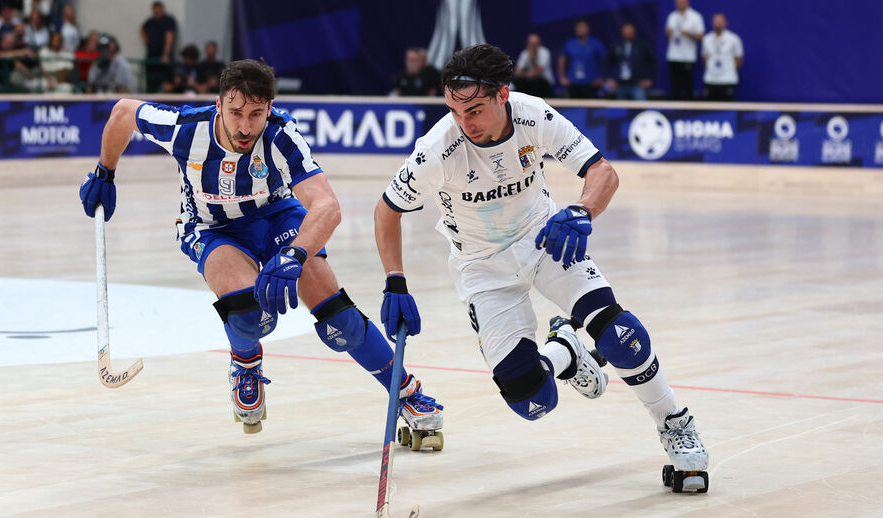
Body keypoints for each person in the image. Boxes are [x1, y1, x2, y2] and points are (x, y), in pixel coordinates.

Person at [373, 44, 709, 492]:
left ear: (502, 95)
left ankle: (674, 422)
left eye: (474, 110)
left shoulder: (534, 116)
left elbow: (602, 171)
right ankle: (566, 351)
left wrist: (583, 211)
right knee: (531, 400)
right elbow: (386, 210)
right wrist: (395, 280)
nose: (464, 122)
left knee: (619, 334)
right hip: (481, 268)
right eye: (454, 110)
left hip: (545, 239)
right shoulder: (437, 150)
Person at [77, 59, 444, 439]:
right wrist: (105, 171)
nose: (245, 126)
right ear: (218, 105)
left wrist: (294, 255)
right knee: (248, 314)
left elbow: (328, 207)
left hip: (276, 217)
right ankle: (246, 362)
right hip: (211, 226)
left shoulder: (281, 135)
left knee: (338, 319)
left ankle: (406, 392)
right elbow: (123, 113)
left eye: (256, 114)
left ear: (269, 108)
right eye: (235, 112)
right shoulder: (185, 129)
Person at [604, 22, 655, 100]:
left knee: (640, 107)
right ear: (622, 32)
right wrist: (608, 79)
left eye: (629, 30)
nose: (627, 32)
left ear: (634, 32)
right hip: (620, 84)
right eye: (625, 30)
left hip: (637, 84)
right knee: (620, 110)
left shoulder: (642, 46)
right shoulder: (617, 46)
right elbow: (606, 62)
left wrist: (649, 79)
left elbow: (653, 62)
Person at [664, 0, 704, 100]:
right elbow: (667, 37)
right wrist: (668, 33)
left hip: (687, 57)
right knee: (674, 85)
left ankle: (689, 111)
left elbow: (701, 36)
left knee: (688, 86)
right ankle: (673, 110)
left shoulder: (695, 16)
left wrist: (689, 33)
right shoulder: (672, 16)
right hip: (673, 56)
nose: (680, 4)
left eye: (682, 2)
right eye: (678, 2)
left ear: (687, 2)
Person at [557, 19, 607, 99]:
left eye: (583, 27)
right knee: (573, 109)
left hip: (591, 83)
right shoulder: (570, 44)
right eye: (578, 27)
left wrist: (602, 78)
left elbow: (605, 60)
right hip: (573, 82)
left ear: (588, 29)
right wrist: (562, 76)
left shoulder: (596, 44)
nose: (580, 29)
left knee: (591, 107)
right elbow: (562, 59)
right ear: (575, 29)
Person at [701, 12, 743, 101]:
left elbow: (739, 59)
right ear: (712, 23)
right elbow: (704, 58)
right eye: (716, 22)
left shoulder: (733, 39)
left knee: (727, 110)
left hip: (727, 79)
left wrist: (729, 70)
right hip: (710, 79)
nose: (718, 24)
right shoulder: (706, 39)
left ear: (726, 23)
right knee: (708, 110)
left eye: (720, 22)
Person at [140, 0, 176, 93]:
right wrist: (147, 42)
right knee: (151, 85)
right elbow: (142, 29)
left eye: (159, 10)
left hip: (163, 58)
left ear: (162, 9)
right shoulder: (150, 22)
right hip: (152, 57)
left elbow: (169, 37)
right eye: (155, 10)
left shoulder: (168, 21)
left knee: (167, 85)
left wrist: (166, 54)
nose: (157, 12)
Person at [513, 33, 553, 98]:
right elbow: (517, 72)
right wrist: (527, 74)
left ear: (539, 43)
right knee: (518, 81)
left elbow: (539, 72)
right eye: (531, 44)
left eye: (534, 44)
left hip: (544, 83)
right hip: (529, 83)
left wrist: (532, 58)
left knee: (537, 81)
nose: (533, 46)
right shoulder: (525, 53)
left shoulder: (544, 52)